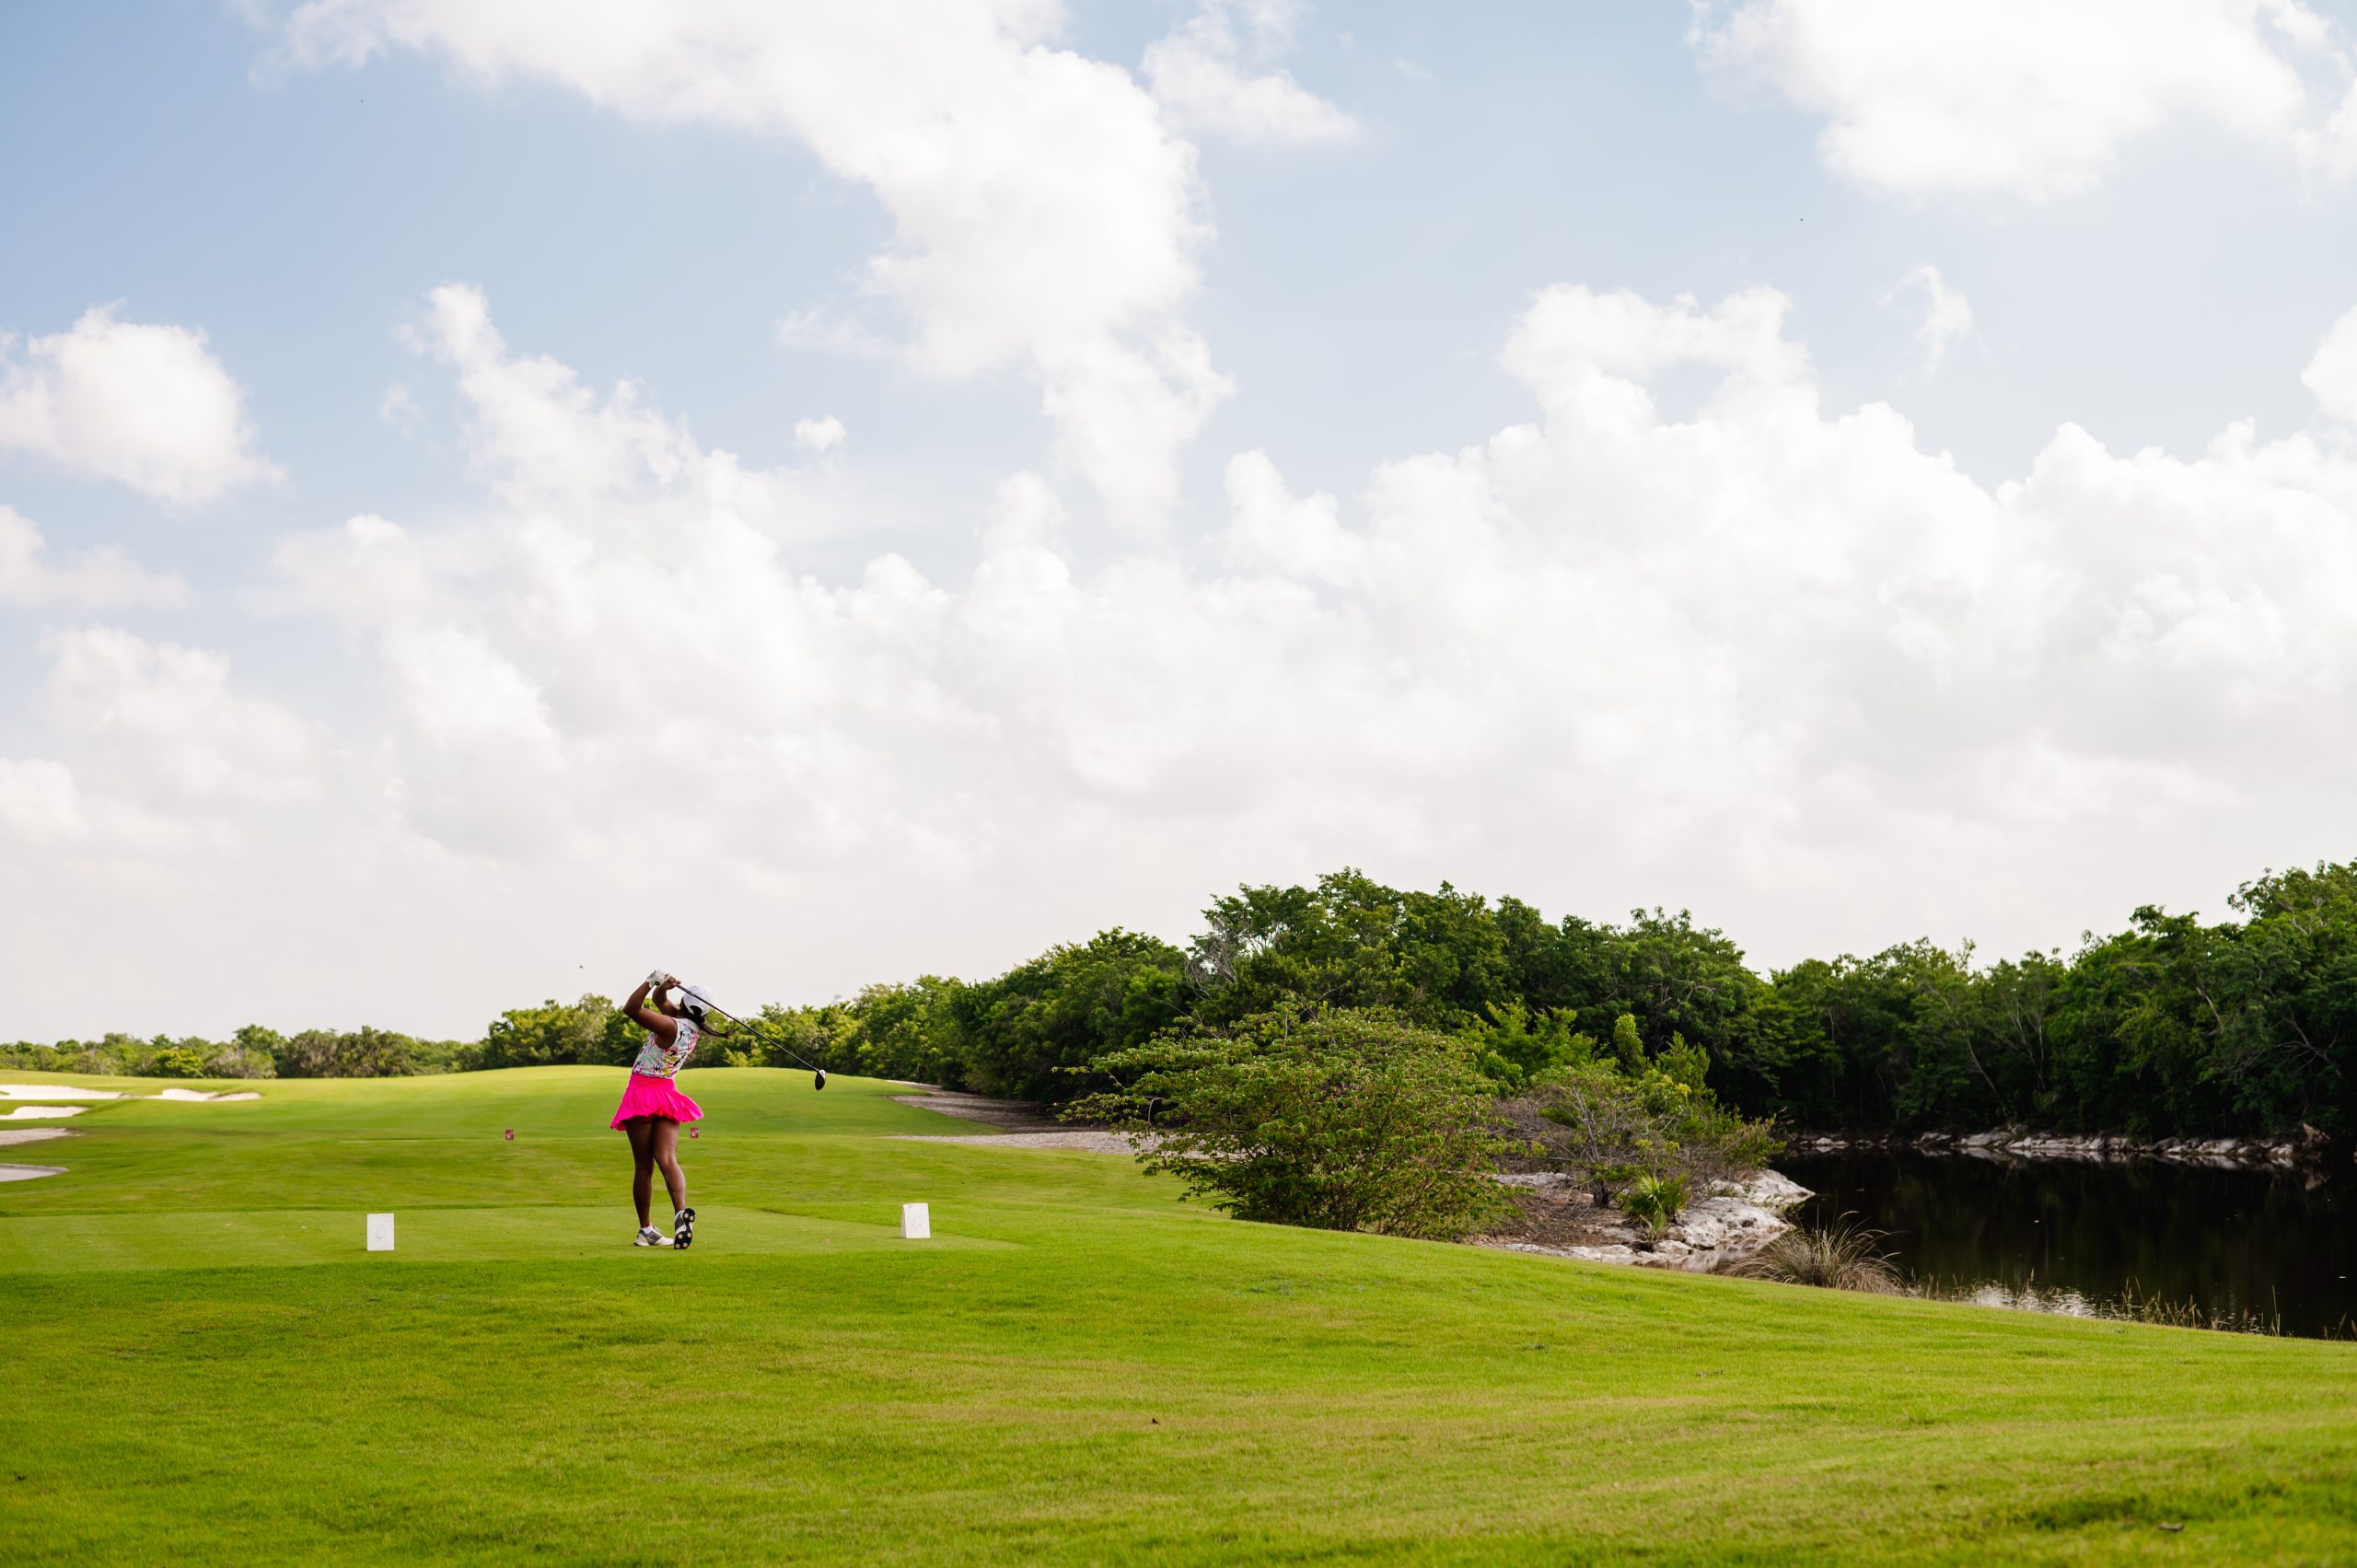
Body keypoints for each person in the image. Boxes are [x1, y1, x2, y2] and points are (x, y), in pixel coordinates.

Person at [612, 970, 706, 1249]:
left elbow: (632, 1009)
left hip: (643, 1092)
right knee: (668, 1159)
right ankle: (680, 1214)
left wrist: (650, 981)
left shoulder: (669, 1026)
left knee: (644, 1165)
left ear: (685, 1005)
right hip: (667, 1093)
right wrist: (664, 988)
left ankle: (646, 1230)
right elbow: (660, 1002)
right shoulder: (692, 1028)